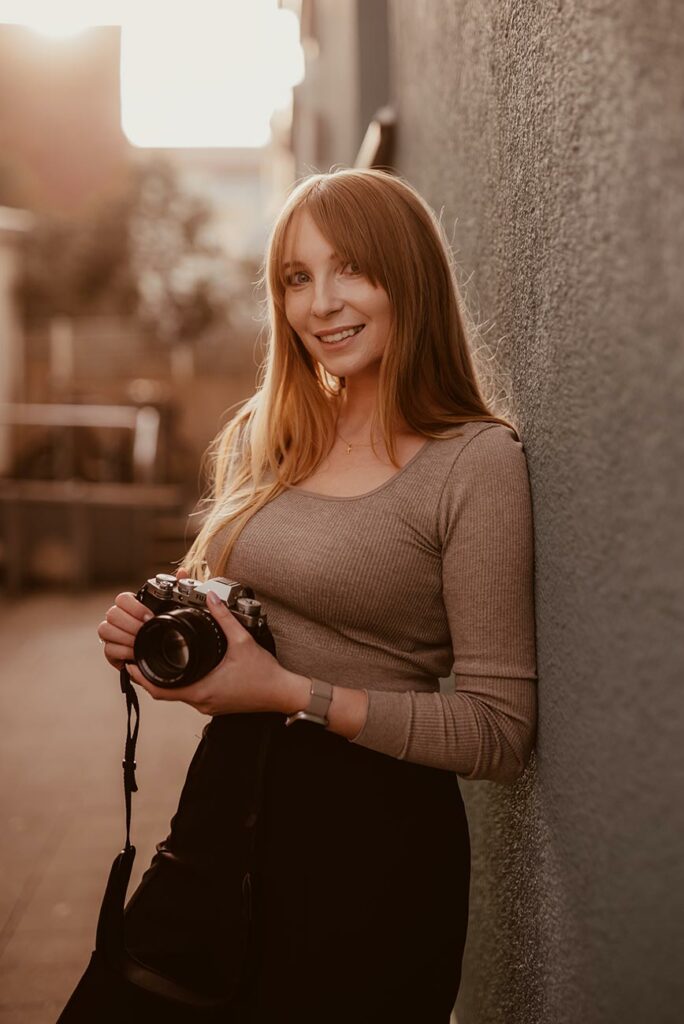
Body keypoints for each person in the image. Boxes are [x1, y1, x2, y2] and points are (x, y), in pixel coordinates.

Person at [96, 168, 537, 1023]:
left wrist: (290, 694)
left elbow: (499, 731)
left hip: (372, 850)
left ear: (408, 277)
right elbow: (244, 620)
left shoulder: (475, 463)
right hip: (223, 816)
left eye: (351, 270)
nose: (321, 303)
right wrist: (171, 643)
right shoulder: (273, 434)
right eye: (297, 278)